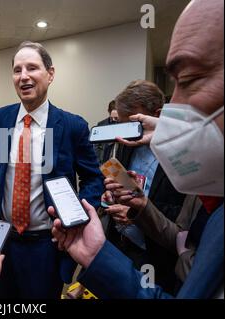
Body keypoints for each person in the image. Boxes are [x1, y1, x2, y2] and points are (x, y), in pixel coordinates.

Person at [50, 0, 224, 298]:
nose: (176, 106)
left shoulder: (194, 164)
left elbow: (178, 232)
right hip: (118, 247)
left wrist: (139, 214)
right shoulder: (127, 147)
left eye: (190, 79)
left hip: (155, 260)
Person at [0, 41, 104, 298]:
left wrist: (75, 216)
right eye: (17, 70)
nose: (23, 76)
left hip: (47, 246)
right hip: (2, 241)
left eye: (32, 68)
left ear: (50, 74)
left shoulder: (72, 126)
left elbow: (93, 179)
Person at [102, 80, 186, 293]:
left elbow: (182, 218)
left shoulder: (183, 156)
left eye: (131, 123)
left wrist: (135, 212)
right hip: (121, 246)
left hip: (157, 256)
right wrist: (112, 195)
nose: (124, 132)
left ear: (156, 115)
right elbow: (122, 183)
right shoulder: (126, 143)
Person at [93, 100, 118, 164]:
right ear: (109, 112)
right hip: (104, 158)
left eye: (116, 118)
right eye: (112, 117)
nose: (114, 120)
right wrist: (98, 162)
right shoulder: (101, 124)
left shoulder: (125, 123)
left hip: (118, 158)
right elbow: (96, 145)